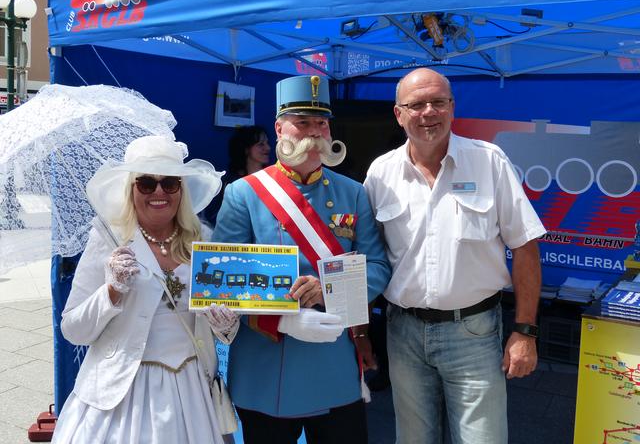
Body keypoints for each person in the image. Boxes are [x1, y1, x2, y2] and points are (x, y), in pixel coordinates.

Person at [364, 68, 546, 444]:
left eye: (438, 102)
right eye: (416, 104)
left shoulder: (489, 161)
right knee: (414, 438)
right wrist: (361, 331)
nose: (428, 112)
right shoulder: (380, 173)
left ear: (452, 108)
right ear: (399, 114)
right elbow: (368, 258)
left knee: (483, 439)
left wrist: (525, 331)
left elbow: (525, 247)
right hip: (404, 332)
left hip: (474, 333)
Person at [213, 75, 390, 444]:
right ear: (280, 128)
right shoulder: (243, 194)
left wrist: (327, 287)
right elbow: (224, 278)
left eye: (321, 123)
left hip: (334, 365)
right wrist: (283, 318)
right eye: (303, 122)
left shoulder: (353, 193)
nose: (315, 133)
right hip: (267, 363)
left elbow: (378, 267)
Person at [52, 135, 239, 444]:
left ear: (181, 189)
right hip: (120, 393)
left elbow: (224, 328)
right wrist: (111, 292)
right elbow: (73, 329)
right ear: (131, 187)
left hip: (191, 392)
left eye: (170, 183)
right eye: (147, 183)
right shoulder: (108, 239)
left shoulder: (204, 240)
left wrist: (226, 324)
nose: (159, 192)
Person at [203, 125, 272, 225]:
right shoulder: (230, 184)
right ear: (246, 149)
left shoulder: (272, 180)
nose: (268, 148)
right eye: (261, 144)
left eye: (267, 143)